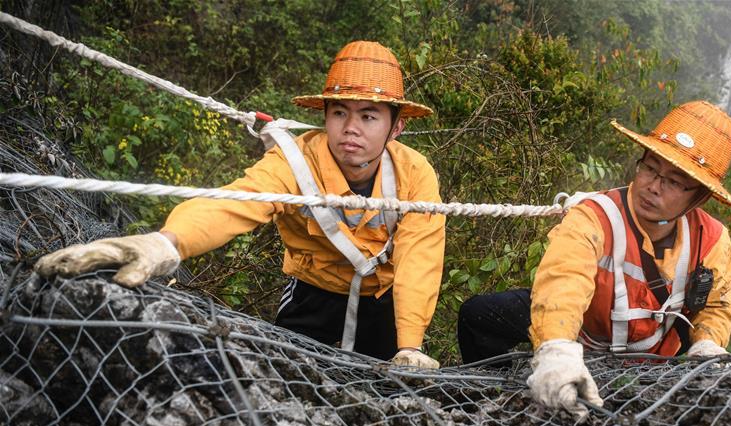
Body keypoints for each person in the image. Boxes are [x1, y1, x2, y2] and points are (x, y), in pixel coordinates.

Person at [35, 41, 446, 369]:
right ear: (325, 116)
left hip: (385, 301)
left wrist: (409, 343)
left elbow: (418, 257)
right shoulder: (297, 163)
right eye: (339, 112)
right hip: (312, 295)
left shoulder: (415, 174)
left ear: (397, 127)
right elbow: (238, 201)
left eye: (369, 116)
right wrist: (166, 243)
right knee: (292, 379)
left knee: (387, 389)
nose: (350, 128)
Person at [456, 101, 731, 415]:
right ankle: (496, 395)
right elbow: (563, 280)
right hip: (584, 334)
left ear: (699, 196)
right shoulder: (596, 217)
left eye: (674, 181)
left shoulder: (711, 240)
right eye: (650, 168)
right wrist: (556, 347)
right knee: (479, 316)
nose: (653, 186)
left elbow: (717, 305)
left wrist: (706, 341)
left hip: (651, 359)